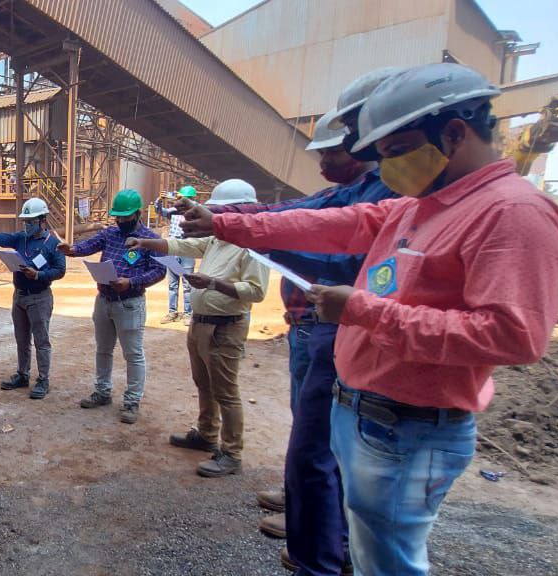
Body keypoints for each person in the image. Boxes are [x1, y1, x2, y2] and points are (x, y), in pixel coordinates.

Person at [180, 63, 558, 575]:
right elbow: (337, 223)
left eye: (395, 151)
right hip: (371, 412)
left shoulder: (511, 212)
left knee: (388, 563)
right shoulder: (425, 205)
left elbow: (513, 336)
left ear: (454, 133)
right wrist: (228, 224)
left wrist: (361, 310)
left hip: (408, 426)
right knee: (365, 549)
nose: (385, 169)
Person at [206, 68, 400, 575]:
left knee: (327, 451)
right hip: (313, 327)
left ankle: (327, 547)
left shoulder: (384, 193)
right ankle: (313, 533)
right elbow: (301, 211)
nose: (323, 162)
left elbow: (333, 253)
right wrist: (235, 222)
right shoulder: (347, 194)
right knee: (311, 444)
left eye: (334, 149)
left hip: (339, 328)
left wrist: (244, 232)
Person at [128, 180, 269, 477]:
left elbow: (256, 291)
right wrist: (146, 243)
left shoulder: (252, 245)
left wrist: (213, 283)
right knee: (204, 384)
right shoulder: (219, 239)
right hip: (201, 323)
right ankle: (206, 434)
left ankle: (231, 453)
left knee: (226, 392)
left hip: (225, 327)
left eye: (222, 211)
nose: (217, 216)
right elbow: (185, 245)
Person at [58, 189, 166, 424]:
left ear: (137, 214)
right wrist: (72, 250)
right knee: (103, 349)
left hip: (129, 303)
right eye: (117, 216)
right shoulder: (110, 233)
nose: (120, 220)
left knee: (133, 354)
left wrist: (131, 282)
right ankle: (102, 392)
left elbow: (159, 271)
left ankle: (132, 401)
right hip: (104, 300)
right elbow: (89, 245)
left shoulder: (150, 239)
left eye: (125, 217)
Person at [0, 197, 66, 399]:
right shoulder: (21, 238)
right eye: (25, 221)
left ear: (43, 220)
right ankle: (23, 374)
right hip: (19, 296)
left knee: (41, 341)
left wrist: (38, 275)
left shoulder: (53, 244)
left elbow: (60, 270)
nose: (27, 225)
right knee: (22, 339)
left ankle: (43, 379)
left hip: (39, 297)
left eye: (31, 221)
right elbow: (4, 238)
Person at [163, 186, 197, 325]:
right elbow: (161, 211)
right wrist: (159, 200)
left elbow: (198, 208)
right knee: (172, 284)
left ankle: (188, 314)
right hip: (173, 246)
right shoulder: (174, 211)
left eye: (185, 198)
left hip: (187, 247)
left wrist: (183, 200)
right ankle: (173, 312)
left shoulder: (196, 211)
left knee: (187, 284)